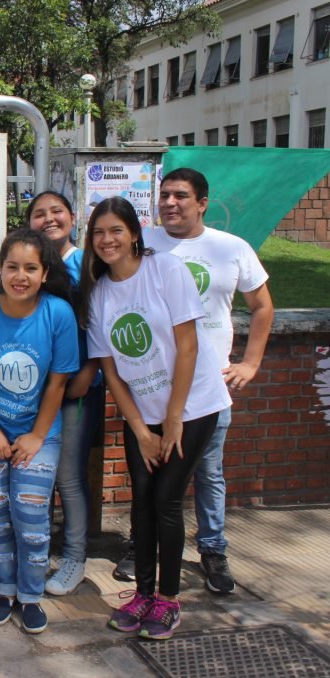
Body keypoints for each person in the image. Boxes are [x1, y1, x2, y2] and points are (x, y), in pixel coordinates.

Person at [80, 197, 231, 640]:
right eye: (98, 233)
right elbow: (111, 371)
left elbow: (188, 346)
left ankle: (168, 600)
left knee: (166, 499)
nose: (107, 240)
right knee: (142, 500)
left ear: (134, 234)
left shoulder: (165, 270)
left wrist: (174, 417)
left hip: (194, 406)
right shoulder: (99, 293)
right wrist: (141, 430)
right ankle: (143, 594)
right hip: (143, 415)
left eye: (116, 230)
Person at [140, 167, 271, 594]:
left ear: (202, 203)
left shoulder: (230, 248)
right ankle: (143, 547)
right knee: (152, 474)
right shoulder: (144, 243)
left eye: (180, 195)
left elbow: (262, 306)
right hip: (153, 385)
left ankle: (213, 549)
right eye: (164, 195)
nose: (169, 203)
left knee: (208, 473)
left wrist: (250, 363)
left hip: (207, 389)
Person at [0, 228, 79, 635]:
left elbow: (58, 382)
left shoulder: (58, 314)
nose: (20, 276)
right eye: (12, 267)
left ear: (45, 274)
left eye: (30, 268)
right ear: (0, 269)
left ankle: (30, 596)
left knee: (30, 515)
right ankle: (5, 591)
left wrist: (37, 436)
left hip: (38, 433)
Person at [25, 192, 105, 596]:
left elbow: (102, 325)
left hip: (77, 391)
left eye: (56, 211)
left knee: (69, 477)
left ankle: (75, 557)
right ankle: (37, 554)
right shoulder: (29, 266)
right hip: (35, 391)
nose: (49, 219)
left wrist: (89, 371)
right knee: (35, 473)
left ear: (72, 217)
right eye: (39, 214)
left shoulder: (88, 265)